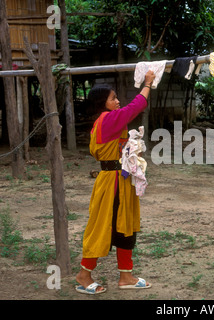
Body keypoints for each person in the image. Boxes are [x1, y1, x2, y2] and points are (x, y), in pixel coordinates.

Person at [75, 70, 156, 295]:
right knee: (102, 227)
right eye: (113, 98)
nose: (118, 101)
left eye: (116, 97)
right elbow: (135, 107)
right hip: (111, 183)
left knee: (125, 225)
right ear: (103, 103)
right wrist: (148, 83)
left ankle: (126, 276)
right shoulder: (107, 119)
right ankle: (84, 275)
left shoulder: (106, 121)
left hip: (121, 180)